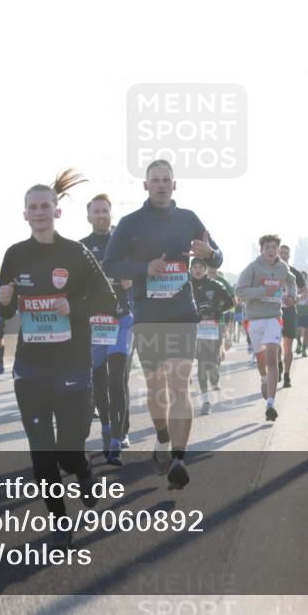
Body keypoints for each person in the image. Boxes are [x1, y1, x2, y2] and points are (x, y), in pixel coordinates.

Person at [0, 169, 116, 549]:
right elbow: (6, 311)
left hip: (72, 366)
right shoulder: (14, 255)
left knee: (68, 451)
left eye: (45, 205)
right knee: (42, 452)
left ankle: (83, 472)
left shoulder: (76, 253)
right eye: (33, 207)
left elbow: (109, 302)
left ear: (57, 212)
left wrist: (73, 306)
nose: (40, 212)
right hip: (30, 369)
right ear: (25, 214)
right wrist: (4, 304)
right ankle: (59, 519)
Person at [103, 159, 222, 489]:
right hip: (148, 317)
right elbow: (110, 265)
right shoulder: (130, 223)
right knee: (157, 387)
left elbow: (217, 254)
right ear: (145, 185)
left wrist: (210, 254)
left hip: (183, 313)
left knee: (179, 385)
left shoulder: (188, 219)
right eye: (154, 180)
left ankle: (180, 460)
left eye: (166, 179)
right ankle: (162, 437)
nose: (160, 184)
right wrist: (144, 269)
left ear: (174, 184)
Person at [80, 194, 134, 465]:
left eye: (105, 211)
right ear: (89, 216)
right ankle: (107, 427)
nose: (101, 215)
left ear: (111, 215)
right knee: (98, 382)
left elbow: (141, 271)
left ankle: (118, 436)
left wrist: (131, 281)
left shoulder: (123, 243)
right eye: (96, 211)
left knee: (117, 378)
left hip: (122, 320)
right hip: (94, 324)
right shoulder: (80, 248)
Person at [235, 235, 297, 421]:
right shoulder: (253, 267)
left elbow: (291, 281)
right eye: (267, 247)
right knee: (261, 361)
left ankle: (270, 404)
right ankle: (263, 379)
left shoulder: (282, 268)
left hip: (274, 318)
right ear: (261, 250)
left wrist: (291, 297)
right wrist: (264, 292)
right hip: (254, 320)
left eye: (274, 247)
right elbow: (239, 291)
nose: (271, 250)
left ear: (278, 250)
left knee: (272, 358)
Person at [190, 259, 234, 414]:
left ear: (205, 269)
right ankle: (206, 401)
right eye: (194, 267)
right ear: (191, 269)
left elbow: (231, 302)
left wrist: (217, 310)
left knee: (211, 364)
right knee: (202, 363)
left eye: (201, 267)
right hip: (196, 329)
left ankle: (215, 372)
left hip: (213, 328)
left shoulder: (214, 285)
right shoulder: (186, 285)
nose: (197, 270)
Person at [277, 244, 308, 387]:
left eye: (286, 253)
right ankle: (278, 364)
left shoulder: (294, 273)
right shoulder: (269, 270)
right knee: (275, 345)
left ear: (289, 256)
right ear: (277, 254)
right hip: (273, 311)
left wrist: (296, 299)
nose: (283, 255)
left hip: (289, 311)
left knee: (288, 346)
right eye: (281, 253)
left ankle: (287, 375)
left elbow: (307, 292)